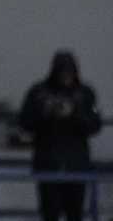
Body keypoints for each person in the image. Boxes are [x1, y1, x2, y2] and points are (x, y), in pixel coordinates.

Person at [20, 52, 101, 221]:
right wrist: (45, 114)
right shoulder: (39, 92)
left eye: (69, 72)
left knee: (75, 213)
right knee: (50, 213)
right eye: (62, 72)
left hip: (76, 164)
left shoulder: (85, 93)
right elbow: (24, 122)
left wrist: (75, 114)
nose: (66, 76)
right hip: (48, 162)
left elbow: (94, 125)